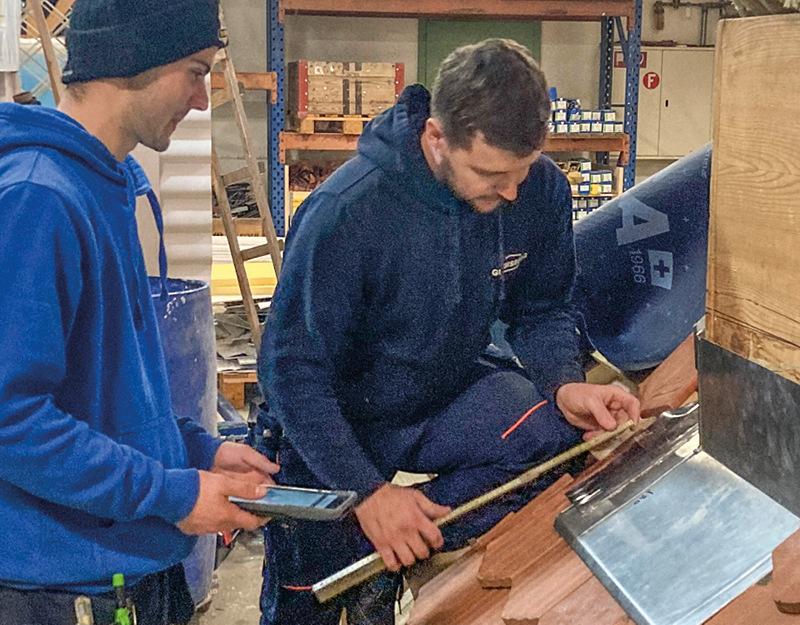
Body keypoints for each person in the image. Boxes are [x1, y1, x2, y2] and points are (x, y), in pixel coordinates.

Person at [257, 39, 640, 625]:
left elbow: (542, 309)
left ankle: (388, 558)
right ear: (436, 138)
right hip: (334, 413)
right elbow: (292, 371)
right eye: (491, 174)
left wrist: (566, 384)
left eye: (523, 170)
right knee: (309, 593)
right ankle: (354, 559)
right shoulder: (348, 211)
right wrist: (368, 493)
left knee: (550, 435)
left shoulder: (538, 192)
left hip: (441, 389)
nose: (511, 192)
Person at [0, 0, 279, 623]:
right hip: (63, 587)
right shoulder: (37, 197)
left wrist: (194, 452)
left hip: (131, 567)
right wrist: (172, 492)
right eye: (195, 71)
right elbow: (10, 420)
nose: (204, 99)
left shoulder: (108, 182)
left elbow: (104, 394)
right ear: (133, 59)